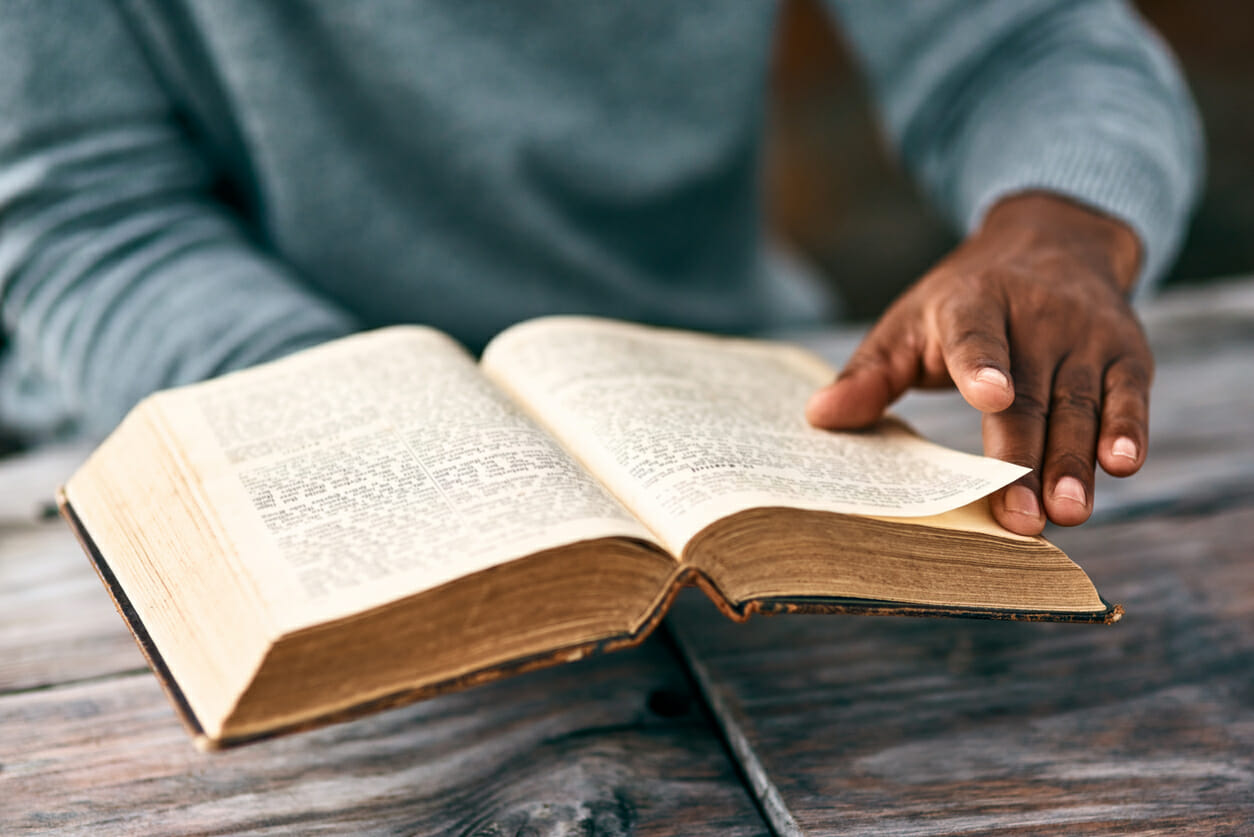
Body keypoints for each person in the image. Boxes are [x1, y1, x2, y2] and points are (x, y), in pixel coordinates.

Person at [0, 1, 1201, 537]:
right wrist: (390, 427)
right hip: (200, 435)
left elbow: (1031, 39)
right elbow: (87, 228)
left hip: (702, 422)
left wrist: (1061, 227)